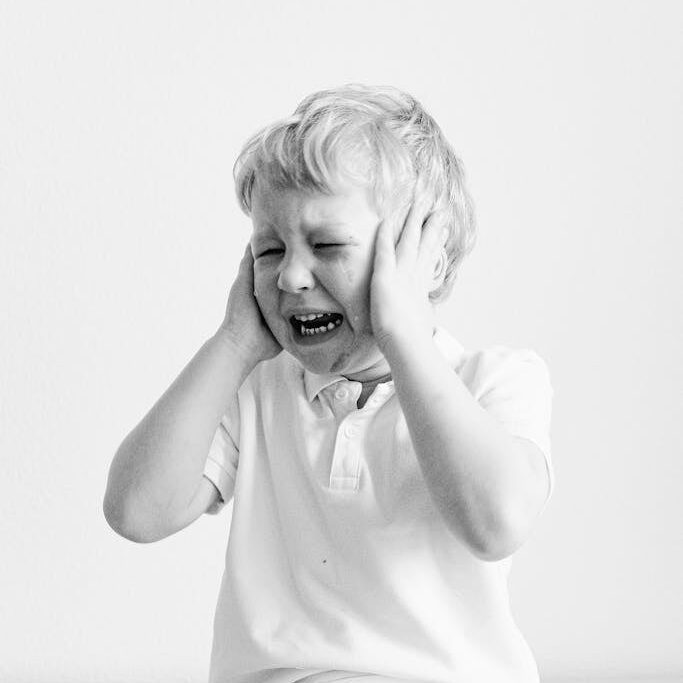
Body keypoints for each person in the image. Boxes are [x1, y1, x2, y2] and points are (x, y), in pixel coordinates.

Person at [104, 84, 554, 683]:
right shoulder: (257, 390)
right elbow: (135, 512)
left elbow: (495, 523)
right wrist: (234, 343)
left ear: (428, 258)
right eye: (268, 250)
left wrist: (402, 332)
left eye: (328, 245)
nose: (290, 275)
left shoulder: (494, 381)